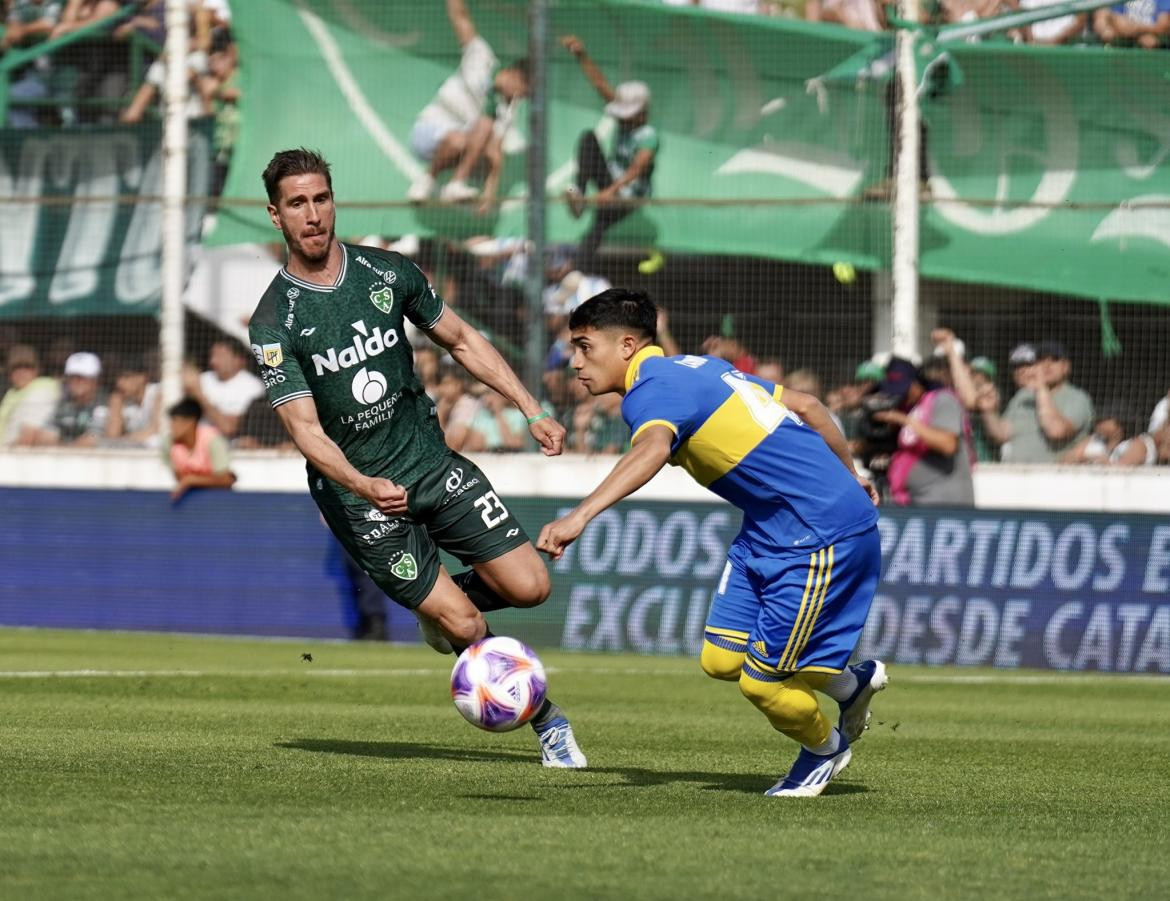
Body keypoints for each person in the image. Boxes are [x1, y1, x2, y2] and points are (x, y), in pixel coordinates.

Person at [248, 148, 585, 768]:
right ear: (276, 215)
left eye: (321, 198)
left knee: (531, 585)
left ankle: (438, 604)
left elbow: (459, 339)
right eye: (297, 203)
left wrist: (531, 406)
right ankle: (548, 722)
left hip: (432, 463)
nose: (313, 214)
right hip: (361, 498)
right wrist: (361, 483)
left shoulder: (387, 273)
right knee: (465, 628)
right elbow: (304, 429)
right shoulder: (274, 323)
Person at [537, 289, 886, 797]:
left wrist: (580, 515)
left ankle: (823, 749)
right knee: (721, 660)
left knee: (763, 683)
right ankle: (850, 685)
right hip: (770, 528)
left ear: (628, 345)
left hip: (818, 534)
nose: (576, 362)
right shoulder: (699, 366)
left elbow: (654, 449)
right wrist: (850, 472)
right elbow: (808, 406)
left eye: (585, 347)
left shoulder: (650, 392)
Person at [405, 0, 529, 208]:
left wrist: (489, 195)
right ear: (514, 75)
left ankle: (455, 185)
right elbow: (460, 16)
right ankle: (427, 179)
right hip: (427, 132)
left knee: (482, 139)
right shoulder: (481, 57)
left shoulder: (507, 107)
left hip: (460, 143)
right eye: (524, 90)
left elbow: (495, 153)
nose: (522, 97)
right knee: (467, 136)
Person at [560, 35, 661, 269]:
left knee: (600, 225)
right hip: (611, 181)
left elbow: (637, 169)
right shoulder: (625, 119)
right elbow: (600, 85)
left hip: (628, 196)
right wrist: (581, 55)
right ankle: (580, 195)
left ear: (642, 113)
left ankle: (574, 270)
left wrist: (610, 192)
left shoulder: (649, 137)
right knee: (589, 139)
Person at [871, 357, 975, 507]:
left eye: (903, 389)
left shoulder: (943, 399)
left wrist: (904, 420)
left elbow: (948, 444)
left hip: (946, 506)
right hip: (916, 502)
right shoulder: (912, 407)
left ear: (917, 383)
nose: (900, 395)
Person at [980, 340, 1092, 463]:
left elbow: (1056, 431)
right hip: (1013, 474)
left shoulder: (1077, 397)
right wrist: (988, 411)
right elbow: (1002, 434)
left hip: (1050, 476)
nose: (1047, 365)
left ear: (1066, 367)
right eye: (1041, 359)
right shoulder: (1023, 395)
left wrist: (1040, 388)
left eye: (1055, 359)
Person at [18, 351, 108, 447]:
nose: (76, 381)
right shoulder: (64, 404)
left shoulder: (103, 404)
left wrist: (62, 447)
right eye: (72, 377)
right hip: (62, 458)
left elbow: (92, 439)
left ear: (96, 380)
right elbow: (45, 437)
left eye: (83, 377)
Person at [182, 337, 264, 439]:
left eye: (220, 356)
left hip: (228, 447)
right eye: (212, 356)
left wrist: (199, 395)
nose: (213, 362)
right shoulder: (203, 379)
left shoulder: (252, 387)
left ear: (239, 360)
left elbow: (228, 428)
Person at [166, 396, 237, 503]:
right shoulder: (169, 444)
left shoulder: (213, 440)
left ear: (190, 422)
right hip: (192, 502)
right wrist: (190, 481)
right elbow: (179, 477)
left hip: (219, 501)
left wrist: (190, 480)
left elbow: (227, 480)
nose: (171, 427)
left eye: (175, 421)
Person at [0, 344, 60, 446]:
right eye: (16, 367)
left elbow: (28, 436)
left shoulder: (42, 389)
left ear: (37, 369)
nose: (21, 372)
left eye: (27, 366)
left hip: (18, 456)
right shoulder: (12, 392)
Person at [104, 355, 161, 447]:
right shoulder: (122, 400)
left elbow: (158, 429)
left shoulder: (158, 392)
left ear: (142, 378)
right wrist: (115, 404)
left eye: (126, 377)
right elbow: (112, 436)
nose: (119, 383)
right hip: (135, 449)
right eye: (118, 378)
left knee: (154, 440)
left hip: (163, 451)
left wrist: (123, 441)